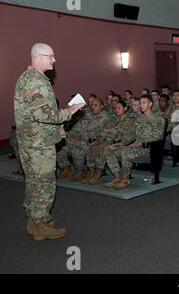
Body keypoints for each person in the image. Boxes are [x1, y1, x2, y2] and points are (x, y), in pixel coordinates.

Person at [14, 43, 85, 241]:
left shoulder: (28, 78)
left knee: (34, 181)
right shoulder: (35, 81)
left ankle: (33, 219)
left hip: (31, 141)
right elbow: (41, 113)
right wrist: (69, 111)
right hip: (39, 144)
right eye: (50, 56)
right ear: (38, 57)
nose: (54, 60)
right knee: (44, 183)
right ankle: (41, 225)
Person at [103, 95, 165, 188]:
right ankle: (117, 177)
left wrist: (140, 143)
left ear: (150, 104)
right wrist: (123, 141)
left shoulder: (157, 118)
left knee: (126, 150)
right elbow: (132, 133)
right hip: (135, 146)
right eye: (140, 103)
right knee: (109, 149)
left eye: (144, 103)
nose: (141, 105)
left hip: (148, 148)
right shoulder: (139, 118)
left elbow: (157, 136)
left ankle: (125, 178)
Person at [83, 100, 136, 185]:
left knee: (105, 148)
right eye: (115, 108)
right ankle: (94, 172)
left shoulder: (129, 121)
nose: (117, 110)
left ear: (125, 108)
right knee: (90, 148)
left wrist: (109, 142)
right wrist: (98, 141)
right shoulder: (112, 121)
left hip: (121, 145)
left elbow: (131, 134)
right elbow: (103, 133)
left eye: (119, 108)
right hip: (110, 144)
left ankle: (100, 173)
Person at [80, 98, 110, 183]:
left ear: (102, 106)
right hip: (90, 140)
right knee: (86, 146)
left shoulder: (104, 117)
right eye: (92, 105)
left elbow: (106, 132)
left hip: (103, 141)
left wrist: (98, 140)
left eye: (96, 105)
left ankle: (99, 174)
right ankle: (91, 173)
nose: (93, 107)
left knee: (95, 148)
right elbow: (85, 129)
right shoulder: (90, 115)